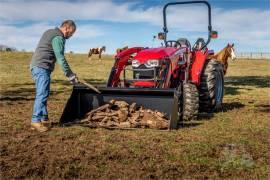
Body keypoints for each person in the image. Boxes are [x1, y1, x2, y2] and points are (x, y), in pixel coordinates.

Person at [30, 20, 78, 132]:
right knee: (42, 94)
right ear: (67, 28)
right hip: (42, 67)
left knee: (43, 92)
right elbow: (60, 57)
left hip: (36, 66)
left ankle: (44, 119)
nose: (71, 36)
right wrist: (70, 74)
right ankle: (35, 121)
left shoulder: (49, 31)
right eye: (71, 33)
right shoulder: (58, 37)